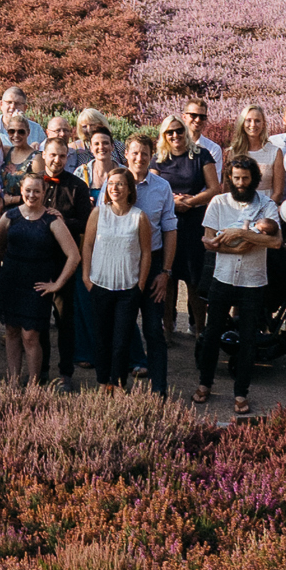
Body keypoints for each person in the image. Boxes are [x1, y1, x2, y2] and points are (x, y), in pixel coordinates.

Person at [195, 154, 282, 415]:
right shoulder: (218, 202)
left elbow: (276, 242)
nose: (241, 183)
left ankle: (241, 393)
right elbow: (207, 240)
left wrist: (239, 235)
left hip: (253, 282)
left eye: (246, 178)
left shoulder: (267, 205)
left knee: (248, 340)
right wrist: (241, 247)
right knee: (211, 335)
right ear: (229, 179)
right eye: (236, 178)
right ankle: (204, 384)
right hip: (222, 277)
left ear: (254, 179)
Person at [0, 172, 81, 386]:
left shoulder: (52, 220)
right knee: (11, 331)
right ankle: (14, 381)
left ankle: (33, 385)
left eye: (37, 191)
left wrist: (57, 283)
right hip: (11, 281)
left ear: (44, 193)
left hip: (37, 285)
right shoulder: (10, 216)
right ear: (21, 191)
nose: (32, 195)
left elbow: (74, 255)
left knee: (30, 335)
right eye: (28, 190)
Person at [81, 166, 151, 390]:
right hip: (99, 285)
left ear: (130, 189)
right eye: (111, 184)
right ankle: (103, 383)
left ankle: (119, 383)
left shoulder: (139, 217)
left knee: (121, 342)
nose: (115, 188)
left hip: (127, 289)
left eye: (120, 184)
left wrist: (139, 285)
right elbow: (88, 245)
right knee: (101, 339)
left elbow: (146, 253)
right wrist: (86, 277)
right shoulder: (98, 213)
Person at [35, 136, 94, 387]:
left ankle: (66, 373)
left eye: (62, 156)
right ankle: (41, 370)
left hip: (64, 262)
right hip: (36, 261)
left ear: (67, 157)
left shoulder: (78, 187)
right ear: (44, 155)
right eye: (52, 155)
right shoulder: (32, 183)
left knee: (64, 320)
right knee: (37, 321)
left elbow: (86, 223)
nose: (57, 160)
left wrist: (61, 221)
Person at [153, 114, 219, 339]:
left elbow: (214, 188)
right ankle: (168, 328)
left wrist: (189, 202)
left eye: (179, 131)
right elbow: (152, 189)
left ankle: (200, 330)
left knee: (194, 280)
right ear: (163, 135)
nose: (175, 135)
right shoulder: (158, 159)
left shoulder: (202, 155)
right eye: (169, 132)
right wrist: (173, 202)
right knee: (168, 278)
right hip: (168, 225)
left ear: (186, 132)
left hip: (194, 224)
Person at [123, 133, 179, 396]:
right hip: (122, 263)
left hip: (154, 262)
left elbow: (169, 229)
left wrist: (166, 272)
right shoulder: (115, 183)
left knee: (154, 329)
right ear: (126, 155)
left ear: (151, 156)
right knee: (121, 326)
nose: (139, 158)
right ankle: (118, 384)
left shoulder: (162, 187)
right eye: (134, 153)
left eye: (144, 153)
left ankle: (159, 388)